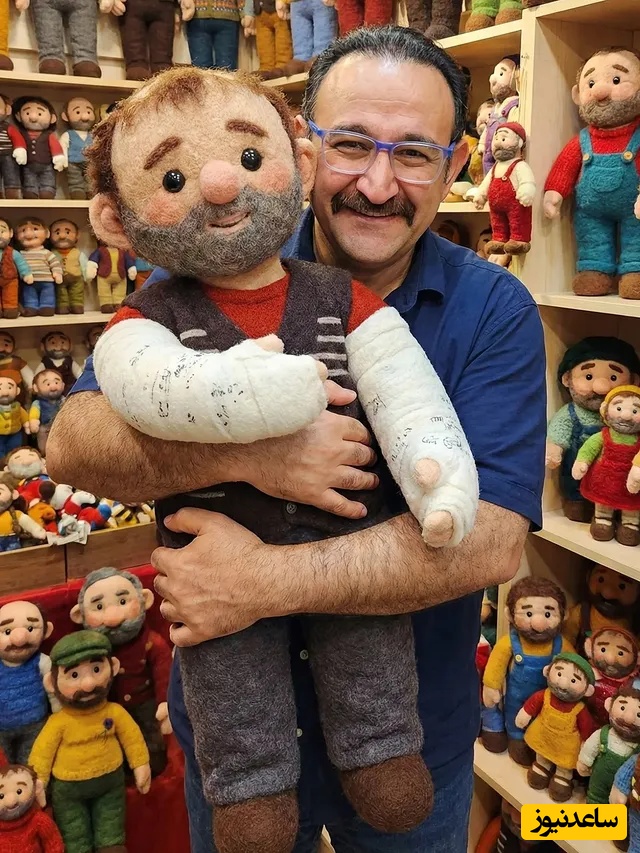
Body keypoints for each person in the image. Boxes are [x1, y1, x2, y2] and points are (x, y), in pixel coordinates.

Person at [46, 25, 546, 853]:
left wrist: (260, 582)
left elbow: (488, 540)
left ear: (455, 165)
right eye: (351, 144)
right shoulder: (210, 251)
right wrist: (253, 452)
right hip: (234, 744)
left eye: (414, 154)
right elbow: (74, 443)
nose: (378, 184)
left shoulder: (495, 310)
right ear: (305, 148)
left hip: (412, 729)